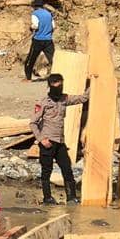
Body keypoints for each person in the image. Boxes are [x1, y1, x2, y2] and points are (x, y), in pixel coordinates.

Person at [31, 72, 90, 205]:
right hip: (47, 142)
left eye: (60, 83)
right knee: (46, 171)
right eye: (55, 83)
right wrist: (41, 139)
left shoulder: (65, 99)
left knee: (67, 169)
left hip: (60, 142)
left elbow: (82, 98)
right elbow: (33, 123)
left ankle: (71, 197)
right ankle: (47, 198)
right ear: (50, 85)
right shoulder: (43, 102)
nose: (58, 86)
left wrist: (93, 84)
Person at [24, 0, 56, 81]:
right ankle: (57, 77)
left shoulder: (35, 14)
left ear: (35, 6)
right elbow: (53, 27)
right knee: (53, 59)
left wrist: (31, 28)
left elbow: (35, 26)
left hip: (38, 40)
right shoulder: (49, 14)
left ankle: (28, 78)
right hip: (48, 40)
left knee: (31, 59)